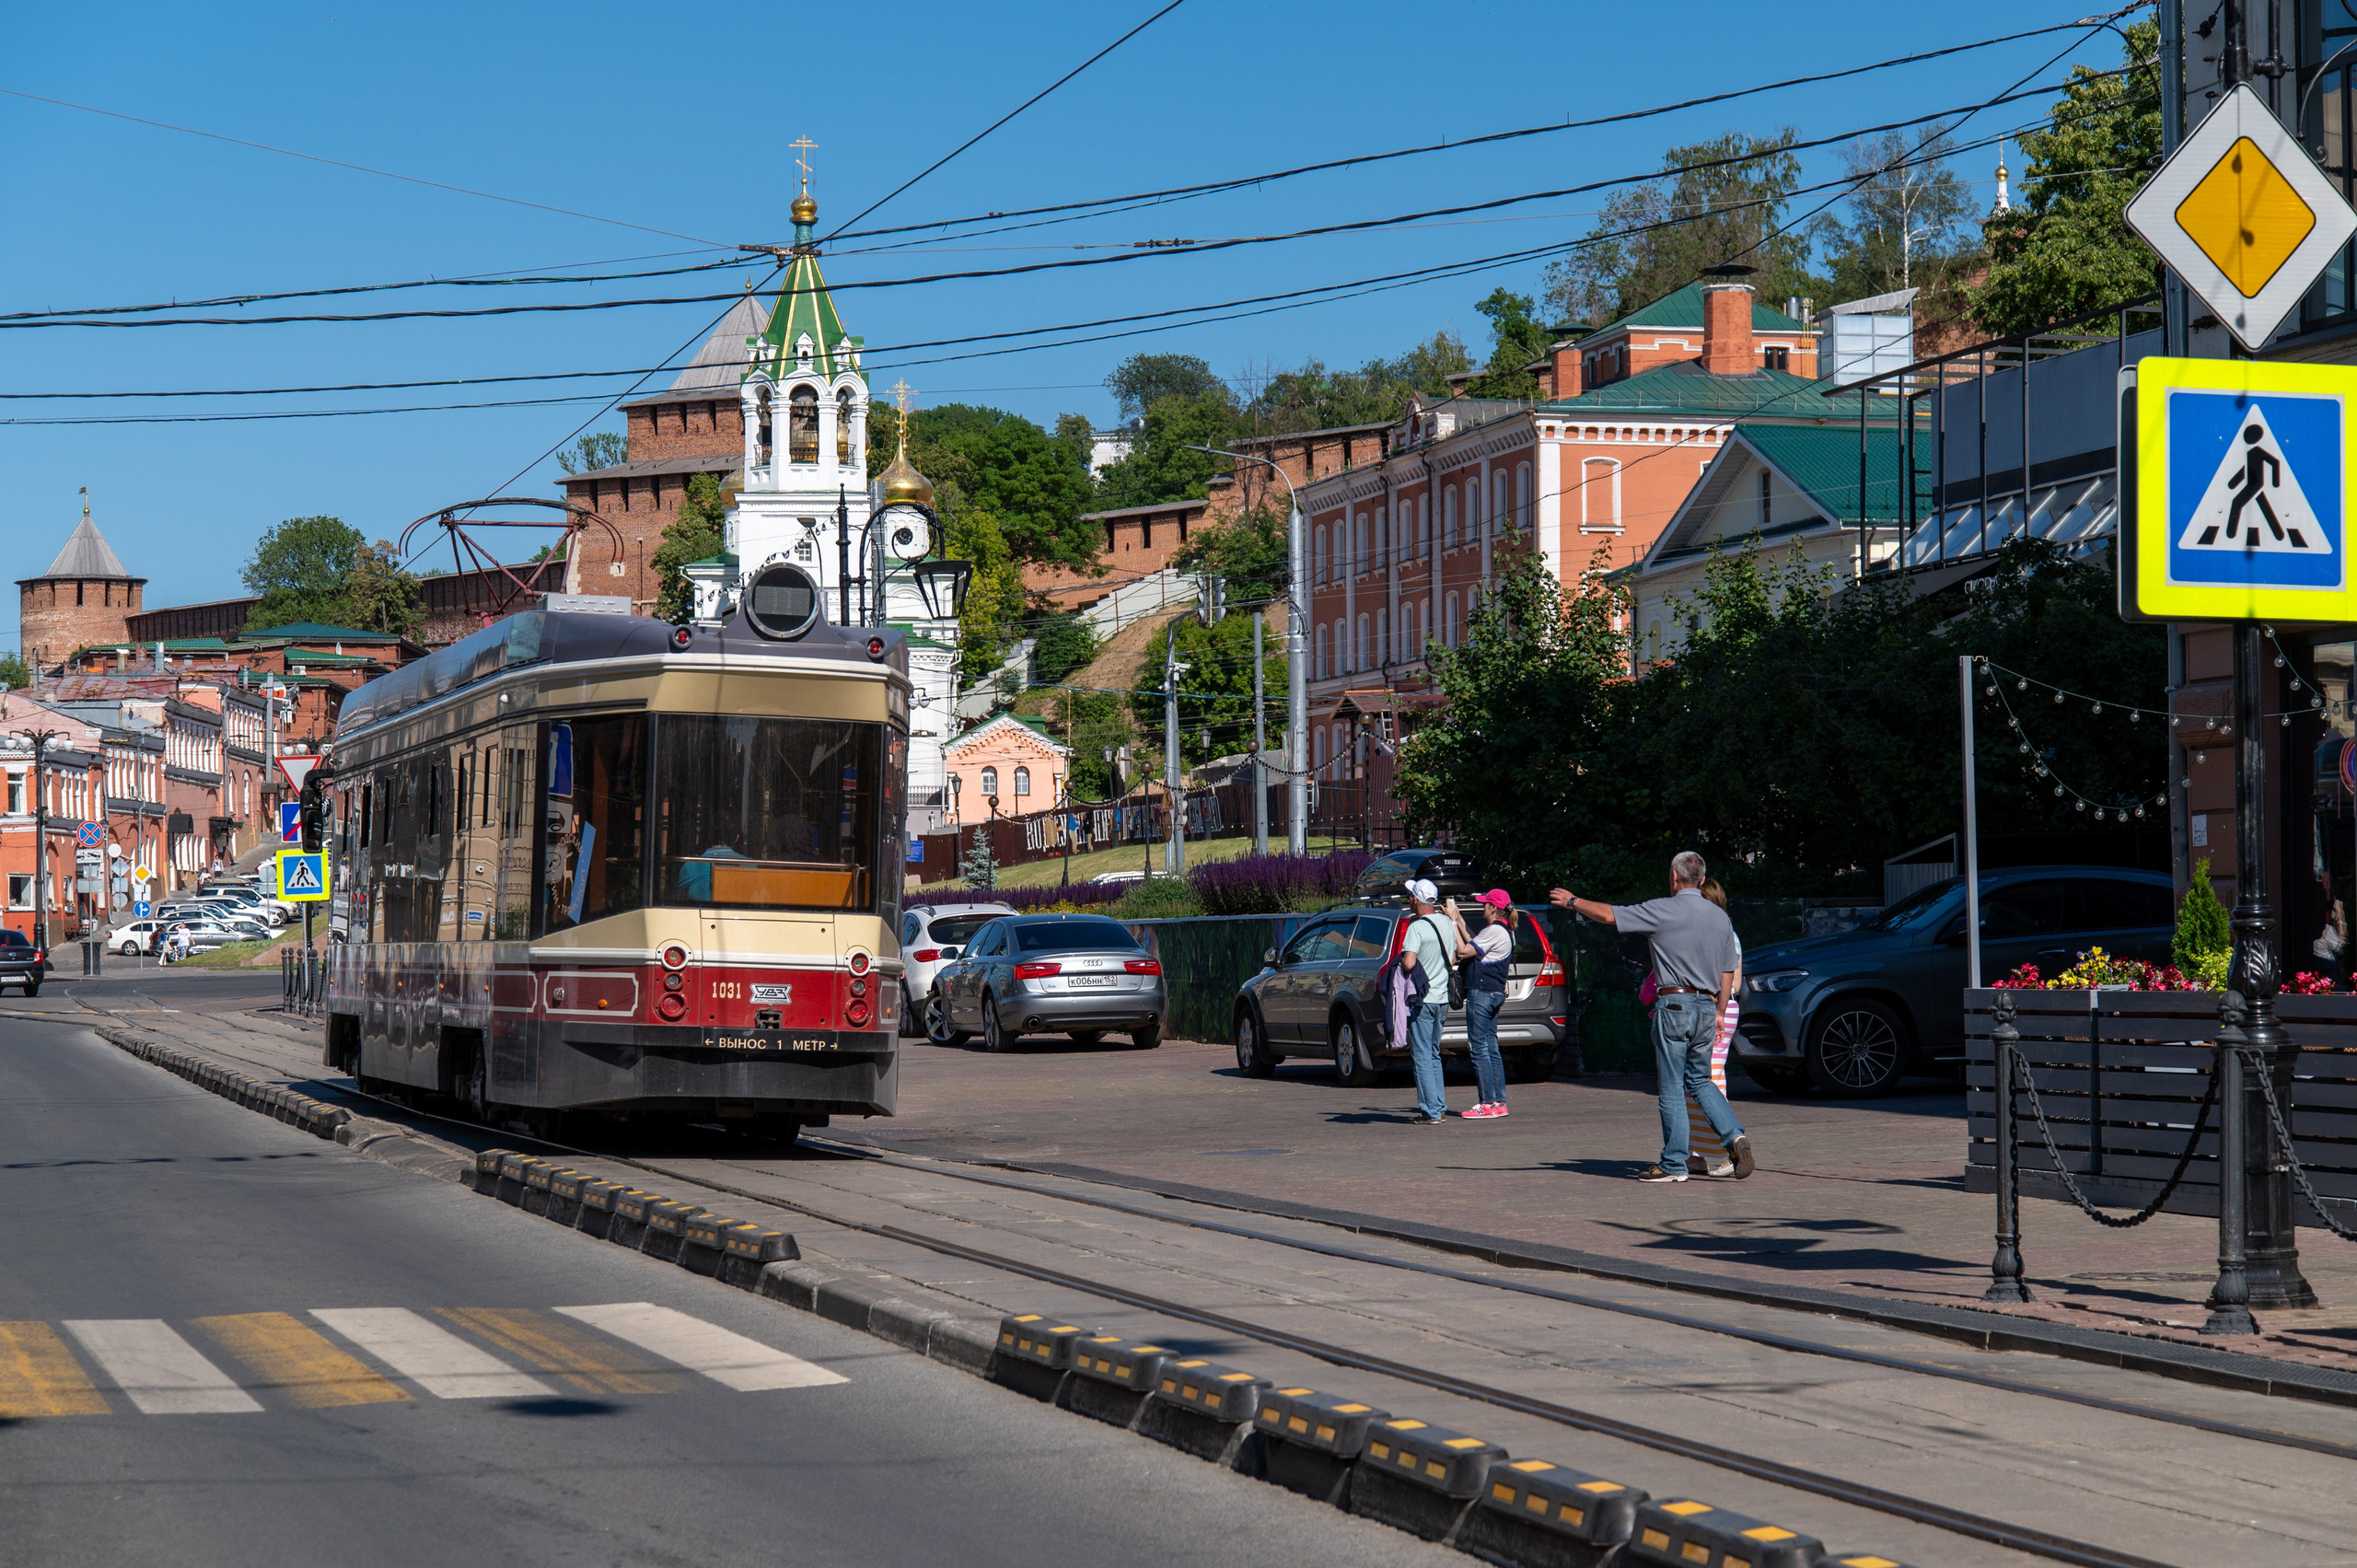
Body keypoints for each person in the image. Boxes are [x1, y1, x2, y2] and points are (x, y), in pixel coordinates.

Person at [1550, 852, 1754, 1182]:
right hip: (1707, 1007)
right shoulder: (1720, 919)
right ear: (1702, 880)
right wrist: (1719, 1011)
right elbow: (1728, 970)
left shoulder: (1662, 909)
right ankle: (1734, 1136)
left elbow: (1609, 916)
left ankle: (1674, 1164)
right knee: (1700, 1081)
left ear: (1674, 878)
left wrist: (1573, 901)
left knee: (1672, 1086)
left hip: (1675, 1005)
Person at [1682, 879, 1743, 1175]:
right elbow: (1738, 982)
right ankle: (1696, 1154)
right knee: (1700, 1080)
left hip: (1713, 1010)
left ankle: (1731, 1151)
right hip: (1728, 1007)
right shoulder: (1731, 934)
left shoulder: (1711, 934)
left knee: (1707, 1081)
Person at [1399, 878, 1471, 1124]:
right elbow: (1452, 958)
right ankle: (1438, 1106)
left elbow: (1408, 963)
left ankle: (1430, 1111)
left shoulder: (1416, 927)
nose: (1408, 900)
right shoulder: (1446, 923)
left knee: (1421, 1055)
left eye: (1410, 896)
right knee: (1433, 1053)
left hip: (1422, 998)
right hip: (1441, 998)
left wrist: (1402, 962)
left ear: (1417, 901)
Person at [1449, 889, 1518, 1119]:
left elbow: (1463, 950)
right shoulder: (1503, 930)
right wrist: (1459, 920)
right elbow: (1475, 943)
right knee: (1490, 1048)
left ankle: (1487, 1103)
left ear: (1494, 909)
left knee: (1478, 1048)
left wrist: (1451, 924)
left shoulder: (1495, 931)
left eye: (1485, 904)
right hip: (1495, 993)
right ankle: (1499, 1102)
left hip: (1482, 993)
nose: (1482, 907)